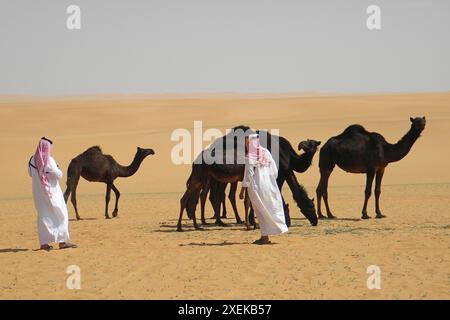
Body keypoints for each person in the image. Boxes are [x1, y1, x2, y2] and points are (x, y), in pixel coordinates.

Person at [28, 137, 76, 251]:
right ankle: (62, 242)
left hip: (39, 194)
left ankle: (44, 244)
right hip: (52, 193)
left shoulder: (31, 160)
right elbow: (58, 175)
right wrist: (58, 170)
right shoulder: (49, 160)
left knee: (43, 216)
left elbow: (30, 173)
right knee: (61, 214)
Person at [239, 134, 288, 245]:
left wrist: (242, 190)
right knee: (270, 208)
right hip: (270, 185)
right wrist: (270, 181)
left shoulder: (249, 156)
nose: (246, 145)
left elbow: (248, 175)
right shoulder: (266, 152)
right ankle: (270, 232)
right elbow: (274, 170)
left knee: (260, 211)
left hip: (256, 187)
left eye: (247, 142)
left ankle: (264, 237)